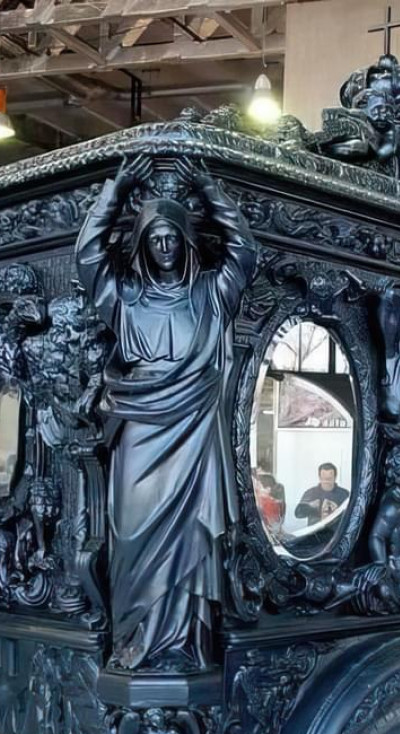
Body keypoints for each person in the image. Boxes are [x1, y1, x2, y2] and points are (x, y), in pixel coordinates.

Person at [76, 154, 256, 671]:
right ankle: (137, 639)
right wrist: (116, 190)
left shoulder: (210, 295)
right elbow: (88, 257)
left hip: (195, 431)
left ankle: (185, 645)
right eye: (153, 240)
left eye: (171, 237)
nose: (164, 247)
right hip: (138, 432)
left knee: (191, 541)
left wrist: (206, 184)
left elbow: (245, 250)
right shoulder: (126, 298)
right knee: (132, 538)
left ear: (184, 240)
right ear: (143, 247)